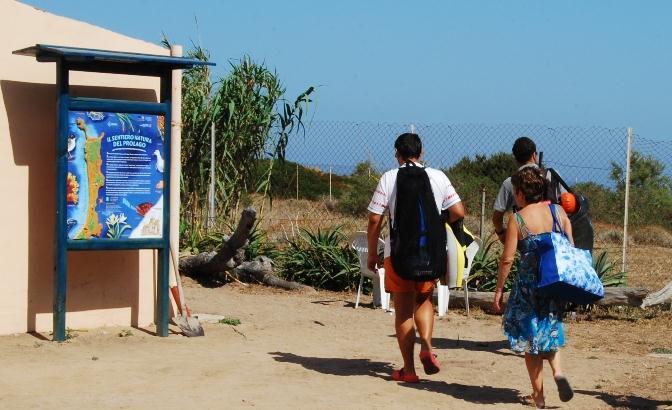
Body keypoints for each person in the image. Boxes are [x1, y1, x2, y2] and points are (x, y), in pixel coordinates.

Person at [366, 132, 465, 383]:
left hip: (398, 255)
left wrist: (371, 253)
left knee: (402, 312)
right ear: (421, 154)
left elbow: (375, 218)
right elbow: (458, 211)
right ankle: (427, 347)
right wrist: (439, 223)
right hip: (429, 253)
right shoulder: (439, 177)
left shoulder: (389, 178)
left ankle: (408, 371)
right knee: (424, 301)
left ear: (397, 154)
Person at [493, 167, 574, 408]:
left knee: (530, 339)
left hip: (529, 285)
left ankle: (538, 397)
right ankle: (558, 372)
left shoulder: (518, 219)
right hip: (553, 283)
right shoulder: (558, 211)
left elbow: (507, 259)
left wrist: (499, 290)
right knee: (550, 328)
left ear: (519, 193)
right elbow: (570, 245)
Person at [492, 137, 566, 244]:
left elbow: (497, 217)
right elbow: (566, 205)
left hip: (527, 240)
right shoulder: (553, 175)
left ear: (516, 158)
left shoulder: (510, 183)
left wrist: (501, 234)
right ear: (534, 155)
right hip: (556, 237)